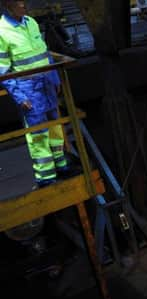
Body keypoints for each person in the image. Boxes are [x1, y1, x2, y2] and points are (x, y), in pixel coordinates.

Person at [0, 0, 68, 187]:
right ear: (8, 6)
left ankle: (61, 164)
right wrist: (20, 97)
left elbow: (44, 54)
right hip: (28, 88)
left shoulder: (31, 22)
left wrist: (55, 79)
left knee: (55, 125)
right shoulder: (2, 31)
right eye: (19, 3)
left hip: (46, 83)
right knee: (38, 132)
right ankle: (45, 176)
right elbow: (2, 71)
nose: (24, 5)